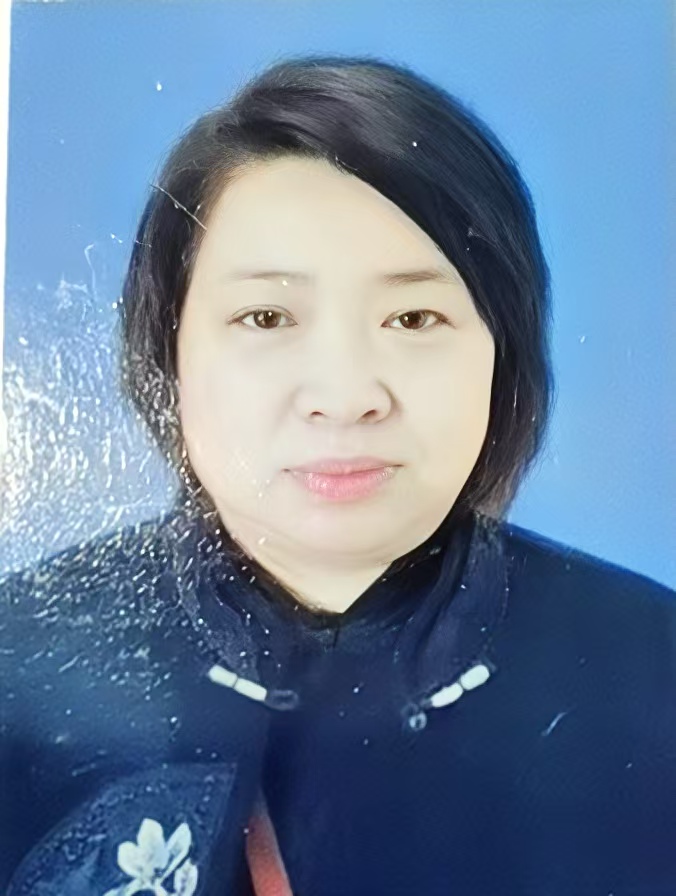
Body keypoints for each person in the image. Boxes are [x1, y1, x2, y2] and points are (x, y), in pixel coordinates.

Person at [1, 52, 675, 895]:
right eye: (267, 316)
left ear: (503, 355)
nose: (347, 396)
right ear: (166, 350)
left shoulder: (653, 664)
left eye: (414, 317)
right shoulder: (17, 659)